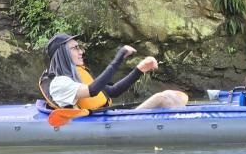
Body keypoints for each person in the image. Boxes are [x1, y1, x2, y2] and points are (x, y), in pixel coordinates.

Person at [39, 33, 189, 110]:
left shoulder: (78, 75)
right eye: (75, 48)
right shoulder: (60, 83)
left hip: (104, 119)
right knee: (164, 98)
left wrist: (139, 70)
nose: (81, 51)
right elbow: (93, 90)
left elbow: (113, 91)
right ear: (62, 53)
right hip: (96, 127)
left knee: (169, 95)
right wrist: (119, 58)